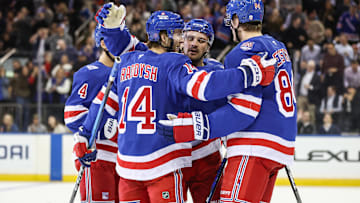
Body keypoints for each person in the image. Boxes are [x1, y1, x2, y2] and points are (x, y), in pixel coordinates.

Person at [74, 5, 276, 203]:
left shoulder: (127, 60)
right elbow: (204, 87)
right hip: (163, 163)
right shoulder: (174, 62)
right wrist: (248, 74)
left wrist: (84, 133)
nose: (184, 40)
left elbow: (104, 101)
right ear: (163, 37)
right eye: (179, 34)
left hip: (128, 168)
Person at [159, 0, 296, 202]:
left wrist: (196, 126)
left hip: (254, 144)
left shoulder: (240, 53)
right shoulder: (279, 47)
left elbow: (244, 111)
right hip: (282, 143)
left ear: (236, 19)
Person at [64, 4, 147, 202]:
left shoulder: (131, 72)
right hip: (98, 157)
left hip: (126, 158)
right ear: (103, 43)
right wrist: (104, 130)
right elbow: (72, 117)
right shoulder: (88, 73)